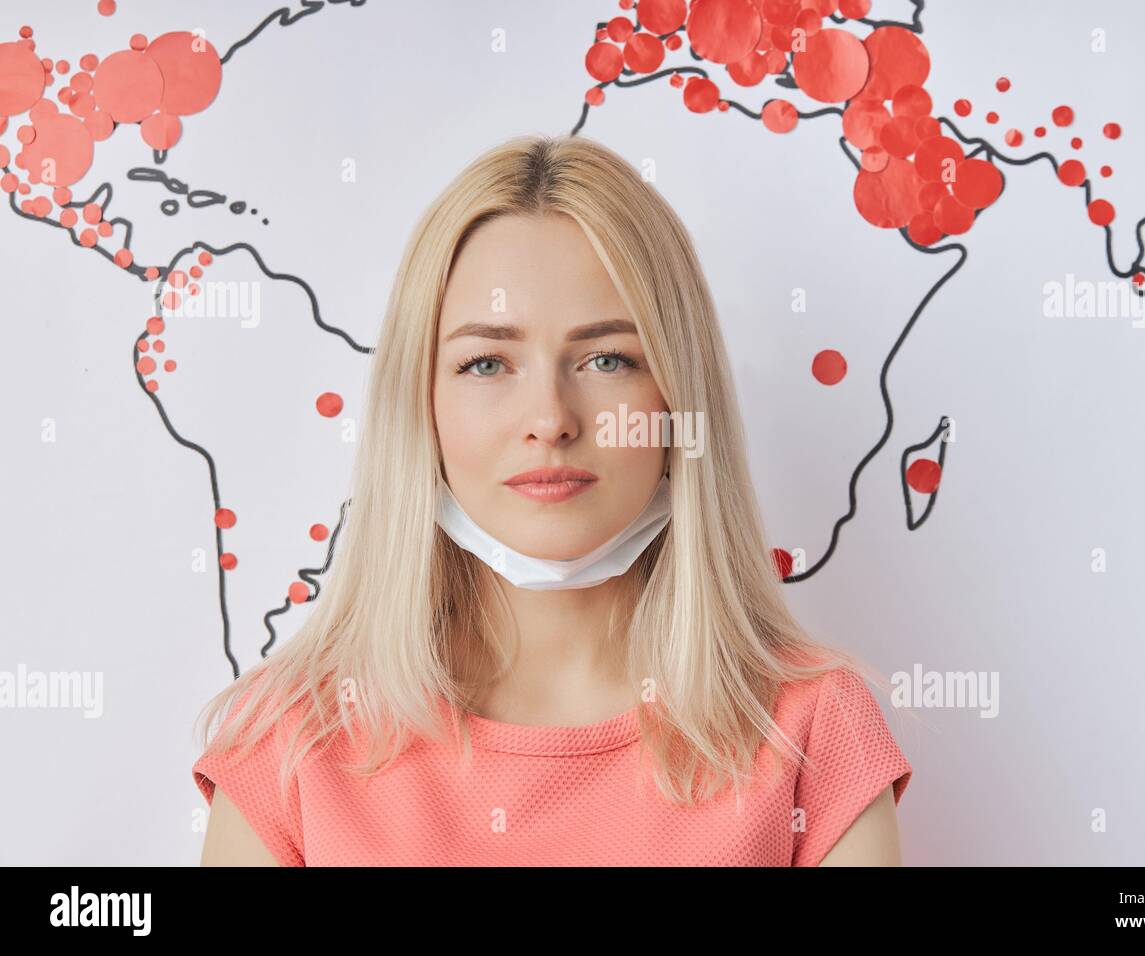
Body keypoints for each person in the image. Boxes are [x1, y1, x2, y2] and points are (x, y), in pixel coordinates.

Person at [191, 133, 912, 866]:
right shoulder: (289, 742)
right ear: (422, 404)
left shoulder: (814, 733)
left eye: (608, 359)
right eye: (486, 362)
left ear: (677, 400)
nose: (550, 418)